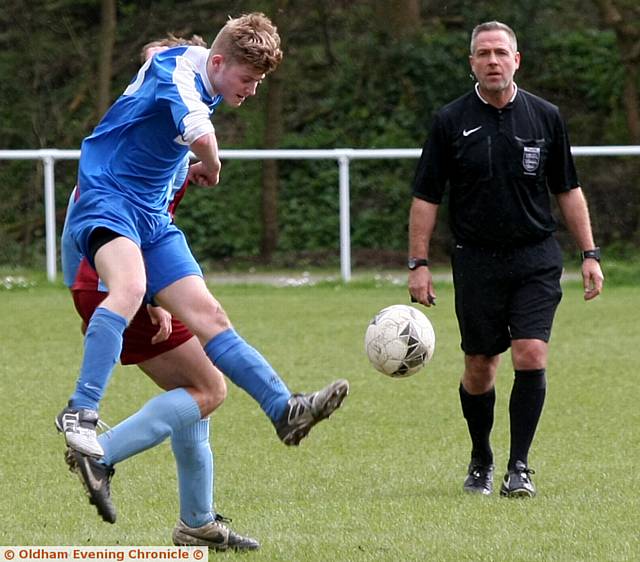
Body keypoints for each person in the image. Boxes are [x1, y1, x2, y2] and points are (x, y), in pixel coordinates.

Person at [55, 12, 348, 540]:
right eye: (248, 81)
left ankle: (285, 410)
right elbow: (198, 131)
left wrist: (189, 171)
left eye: (259, 83)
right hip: (108, 201)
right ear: (217, 62)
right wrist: (210, 162)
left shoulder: (202, 84)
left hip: (150, 219)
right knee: (131, 289)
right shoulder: (175, 70)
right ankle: (81, 416)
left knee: (212, 319)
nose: (253, 91)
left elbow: (170, 157)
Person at [59, 34, 253, 551]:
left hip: (131, 286)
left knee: (197, 390)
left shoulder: (165, 145)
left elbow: (152, 229)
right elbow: (97, 236)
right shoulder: (123, 151)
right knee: (208, 389)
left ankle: (198, 520)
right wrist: (128, 299)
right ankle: (98, 453)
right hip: (108, 284)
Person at [408, 21, 604, 498]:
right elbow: (426, 197)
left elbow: (568, 189)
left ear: (517, 60)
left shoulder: (545, 116)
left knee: (531, 353)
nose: (492, 60)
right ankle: (482, 458)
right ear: (471, 62)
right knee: (480, 366)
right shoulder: (450, 120)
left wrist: (589, 254)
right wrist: (418, 263)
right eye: (483, 53)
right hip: (475, 261)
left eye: (500, 52)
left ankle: (520, 466)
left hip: (535, 256)